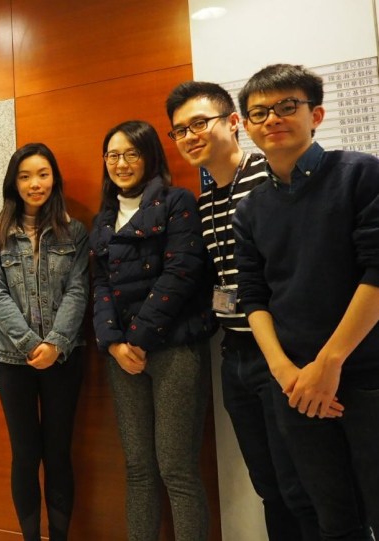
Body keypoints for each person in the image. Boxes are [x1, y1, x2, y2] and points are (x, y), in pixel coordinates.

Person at [165, 81, 320, 540]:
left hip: (286, 350)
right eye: (180, 130)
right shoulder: (204, 201)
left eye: (199, 123)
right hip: (235, 356)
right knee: (269, 486)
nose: (190, 136)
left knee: (304, 486)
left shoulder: (271, 175)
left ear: (233, 122)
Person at [233, 63, 379, 541]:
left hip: (366, 375)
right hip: (296, 386)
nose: (273, 118)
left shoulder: (361, 174)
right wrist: (284, 372)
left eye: (286, 106)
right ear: (247, 125)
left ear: (315, 114)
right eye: (259, 112)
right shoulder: (250, 209)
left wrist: (329, 363)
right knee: (332, 520)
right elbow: (253, 295)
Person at [89, 120, 216, 540]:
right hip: (122, 356)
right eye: (113, 155)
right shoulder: (104, 218)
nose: (121, 163)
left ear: (149, 157)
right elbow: (100, 284)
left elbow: (181, 273)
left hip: (174, 349)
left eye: (131, 153)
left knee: (177, 469)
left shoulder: (177, 201)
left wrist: (137, 341)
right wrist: (113, 344)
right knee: (139, 468)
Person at [0, 143, 88, 540]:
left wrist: (56, 343)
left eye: (43, 174)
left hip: (64, 358)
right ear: (14, 182)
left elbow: (79, 290)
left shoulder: (74, 231)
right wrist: (30, 344)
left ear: (54, 178)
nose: (35, 183)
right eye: (25, 176)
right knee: (25, 455)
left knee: (58, 454)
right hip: (12, 360)